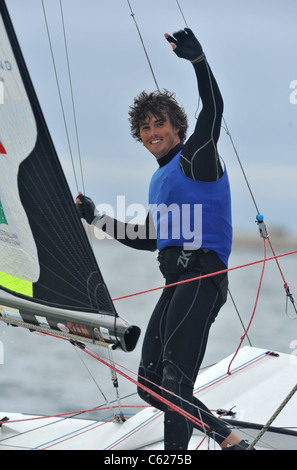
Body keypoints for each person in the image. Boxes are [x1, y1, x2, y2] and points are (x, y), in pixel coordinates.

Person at [76, 28, 252, 450]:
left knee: (173, 384)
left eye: (160, 123)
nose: (153, 130)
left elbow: (215, 107)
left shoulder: (196, 157)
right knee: (150, 385)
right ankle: (230, 441)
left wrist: (198, 61)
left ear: (177, 127)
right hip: (176, 283)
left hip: (203, 275)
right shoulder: (161, 179)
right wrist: (97, 217)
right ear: (139, 136)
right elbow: (149, 238)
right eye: (145, 126)